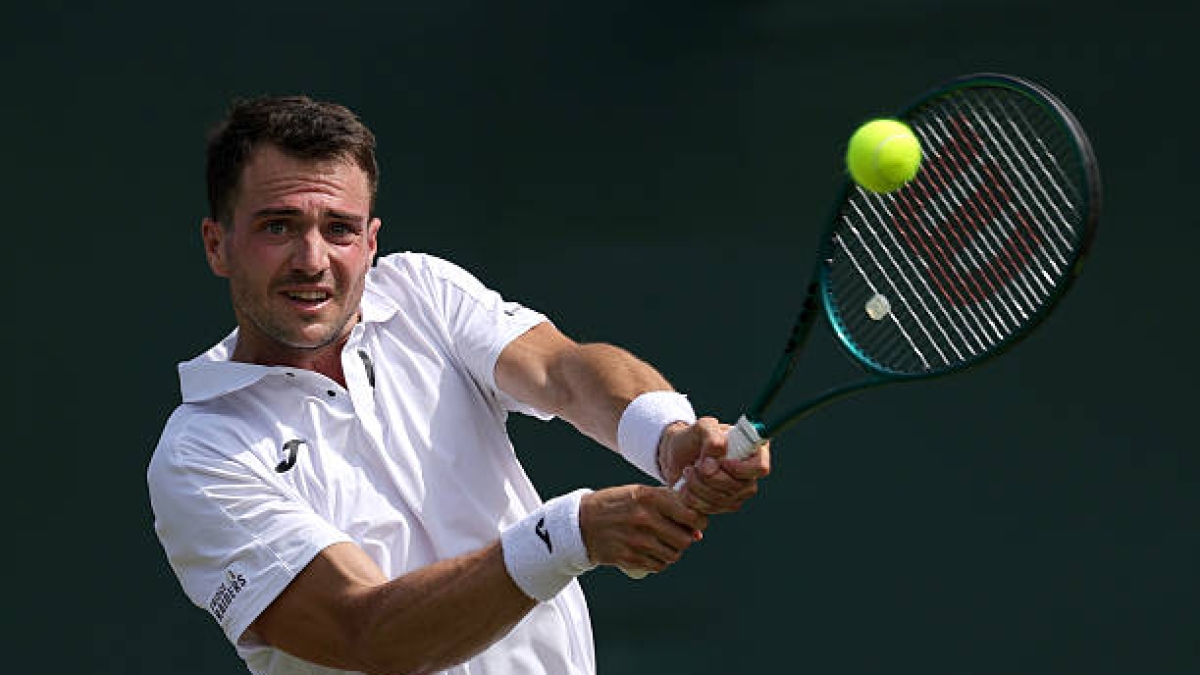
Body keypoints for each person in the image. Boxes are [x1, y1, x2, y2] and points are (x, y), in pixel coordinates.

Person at [147, 95, 770, 675]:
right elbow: (366, 632)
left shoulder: (423, 293)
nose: (312, 260)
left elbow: (562, 370)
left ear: (370, 242)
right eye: (278, 227)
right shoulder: (201, 455)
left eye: (339, 229)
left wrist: (667, 435)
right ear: (217, 245)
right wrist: (567, 534)